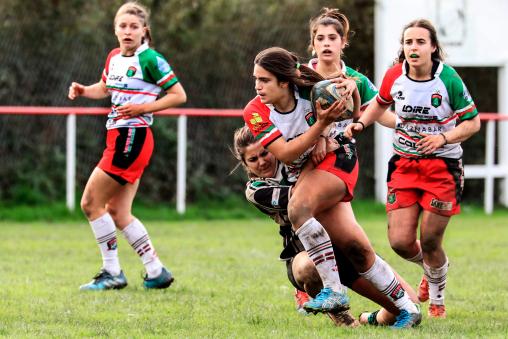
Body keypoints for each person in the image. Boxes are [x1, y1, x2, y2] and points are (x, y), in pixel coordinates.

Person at [244, 47, 421, 328]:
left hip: (337, 159)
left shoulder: (315, 89)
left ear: (284, 81)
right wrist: (321, 130)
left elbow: (353, 111)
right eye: (255, 79)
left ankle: (334, 291)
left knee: (299, 206)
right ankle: (406, 309)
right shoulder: (254, 113)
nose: (257, 86)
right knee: (358, 247)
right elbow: (288, 153)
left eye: (263, 80)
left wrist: (351, 90)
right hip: (312, 197)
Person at [344, 19, 480, 318]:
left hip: (442, 167)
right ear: (403, 48)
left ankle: (437, 298)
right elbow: (380, 104)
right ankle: (432, 267)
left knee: (431, 240)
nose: (413, 48)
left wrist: (442, 137)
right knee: (401, 242)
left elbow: (473, 122)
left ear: (433, 47)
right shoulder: (395, 75)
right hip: (404, 164)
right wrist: (361, 123)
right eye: (408, 42)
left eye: (420, 42)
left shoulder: (449, 80)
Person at [232, 125, 420, 327]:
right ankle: (339, 315)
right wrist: (313, 164)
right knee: (308, 268)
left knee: (410, 307)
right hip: (304, 251)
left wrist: (323, 140)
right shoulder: (255, 190)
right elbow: (300, 197)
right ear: (245, 164)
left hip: (346, 248)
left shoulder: (294, 157)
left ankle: (369, 319)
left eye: (264, 153)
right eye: (253, 159)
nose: (262, 161)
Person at [67, 1, 187, 290]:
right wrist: (85, 90)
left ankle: (112, 272)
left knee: (89, 203)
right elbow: (104, 88)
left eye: (134, 26)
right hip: (122, 138)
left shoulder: (150, 59)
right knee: (117, 212)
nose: (128, 31)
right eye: (122, 25)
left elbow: (178, 95)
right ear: (115, 29)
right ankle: (156, 271)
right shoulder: (113, 57)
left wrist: (144, 107)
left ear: (144, 30)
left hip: (131, 138)